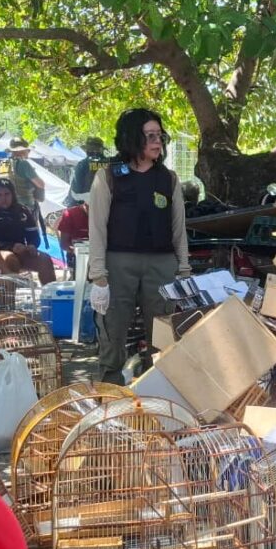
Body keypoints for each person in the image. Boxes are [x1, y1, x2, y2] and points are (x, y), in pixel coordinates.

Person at [87, 108, 190, 384]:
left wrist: (184, 269)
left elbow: (178, 228)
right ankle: (109, 396)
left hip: (161, 263)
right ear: (132, 138)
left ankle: (158, 391)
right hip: (118, 264)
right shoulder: (108, 176)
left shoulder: (168, 179)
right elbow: (96, 229)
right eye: (150, 136)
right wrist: (99, 276)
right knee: (112, 331)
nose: (158, 142)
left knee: (163, 333)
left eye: (160, 136)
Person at [0, 180, 57, 285]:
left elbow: (34, 236)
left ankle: (51, 297)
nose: (3, 198)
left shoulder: (23, 210)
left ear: (13, 194)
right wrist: (10, 247)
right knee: (10, 259)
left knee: (45, 259)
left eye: (7, 194)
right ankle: (8, 299)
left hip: (19, 251)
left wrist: (31, 245)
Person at [6, 137, 45, 210]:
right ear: (22, 151)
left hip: (6, 206)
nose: (28, 152)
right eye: (28, 150)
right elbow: (41, 184)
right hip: (24, 207)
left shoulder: (3, 164)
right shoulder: (23, 164)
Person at [65, 136, 107, 206]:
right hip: (108, 206)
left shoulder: (83, 164)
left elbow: (76, 191)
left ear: (87, 151)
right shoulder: (110, 163)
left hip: (86, 207)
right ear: (102, 150)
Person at [56, 201, 89, 271]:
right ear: (85, 204)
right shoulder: (70, 214)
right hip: (77, 257)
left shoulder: (105, 213)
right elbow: (64, 244)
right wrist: (79, 250)